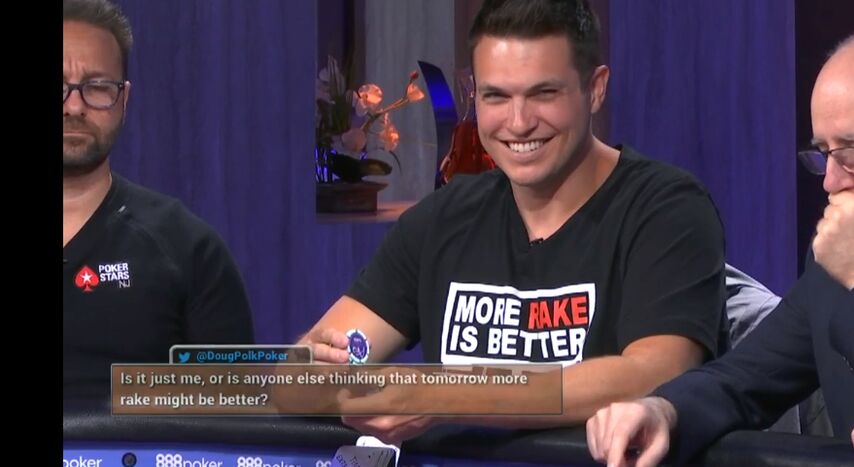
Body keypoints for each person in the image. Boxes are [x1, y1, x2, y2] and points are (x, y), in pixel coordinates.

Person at [299, 0, 728, 444]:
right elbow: (306, 371)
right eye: (496, 96)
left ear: (596, 88)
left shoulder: (667, 209)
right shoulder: (442, 218)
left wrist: (449, 395)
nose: (519, 123)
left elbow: (656, 373)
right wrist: (317, 372)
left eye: (544, 94)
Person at [586, 35, 854, 466]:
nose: (830, 181)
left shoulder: (845, 261)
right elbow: (744, 378)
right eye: (824, 154)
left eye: (850, 153)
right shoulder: (830, 263)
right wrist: (662, 409)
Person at [63, 0, 255, 400]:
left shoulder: (187, 249)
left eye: (98, 87)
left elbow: (234, 413)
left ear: (124, 100)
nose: (75, 106)